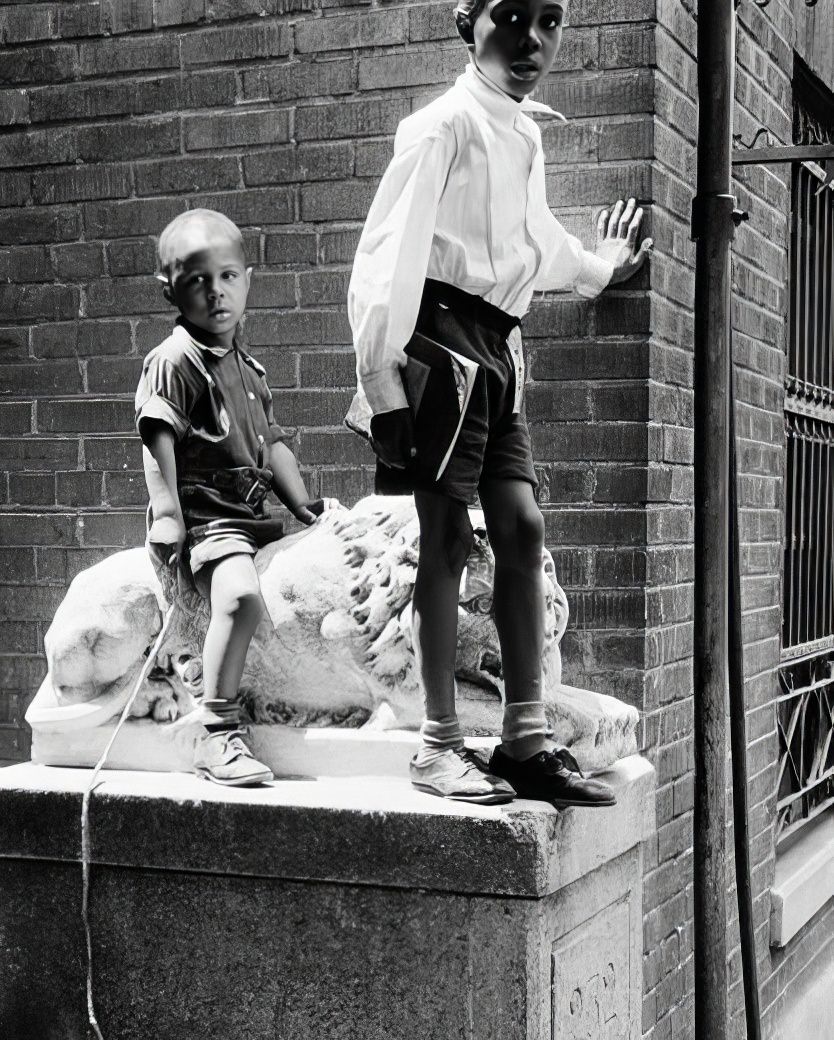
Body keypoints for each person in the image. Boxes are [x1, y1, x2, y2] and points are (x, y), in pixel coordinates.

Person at [347, 0, 652, 806]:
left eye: (549, 20)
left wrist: (598, 268)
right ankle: (438, 744)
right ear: (466, 22)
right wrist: (384, 385)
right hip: (439, 339)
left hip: (498, 348)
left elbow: (534, 240)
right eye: (510, 16)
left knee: (520, 527)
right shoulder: (440, 126)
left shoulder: (524, 131)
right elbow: (386, 258)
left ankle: (524, 739)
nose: (531, 39)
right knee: (443, 538)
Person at [136, 209, 336, 786]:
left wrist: (303, 507)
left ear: (247, 278)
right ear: (169, 289)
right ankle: (216, 729)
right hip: (207, 514)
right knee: (243, 597)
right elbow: (158, 440)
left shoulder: (250, 369)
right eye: (197, 280)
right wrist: (169, 514)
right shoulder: (173, 361)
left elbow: (271, 446)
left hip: (252, 513)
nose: (215, 292)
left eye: (227, 276)